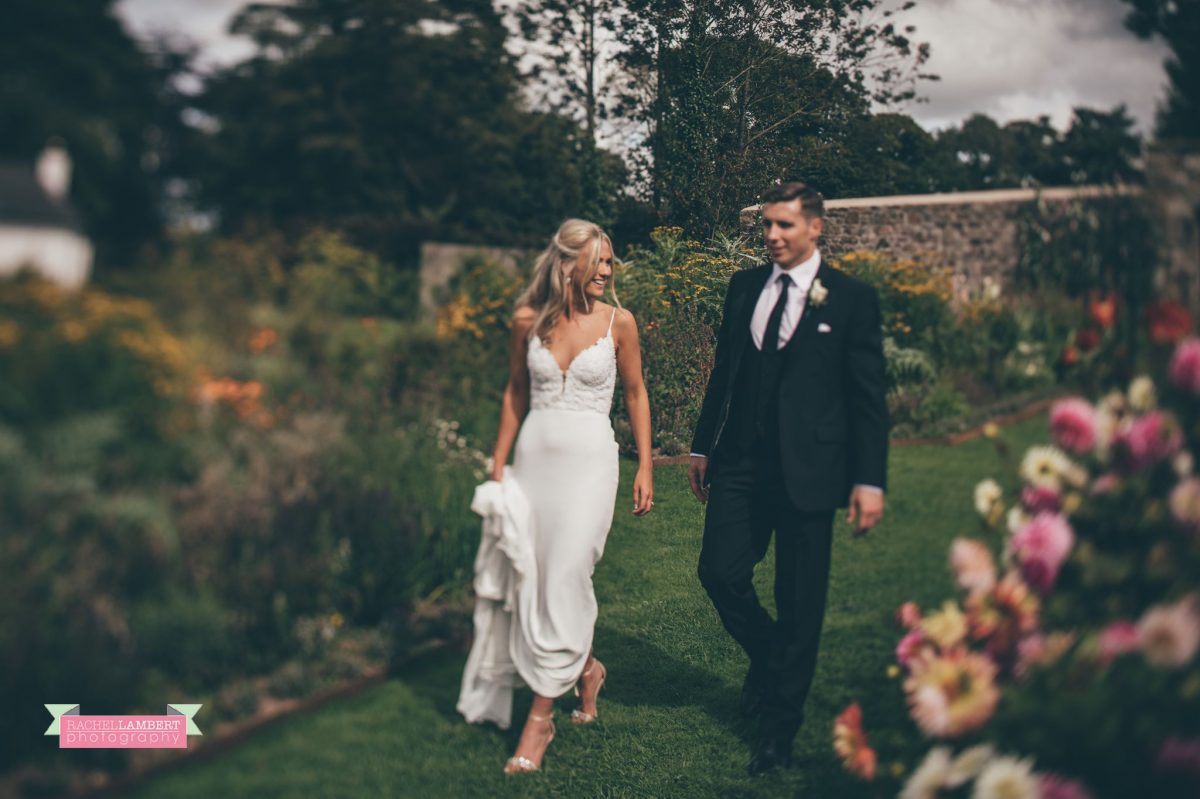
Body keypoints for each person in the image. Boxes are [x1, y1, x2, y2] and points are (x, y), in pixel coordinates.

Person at [687, 181, 889, 776]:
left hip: (811, 474)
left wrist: (869, 481)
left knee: (800, 603)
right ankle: (773, 659)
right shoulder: (744, 286)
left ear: (815, 228)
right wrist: (703, 445)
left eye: (784, 226)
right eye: (767, 226)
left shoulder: (850, 299)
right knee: (719, 572)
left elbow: (867, 400)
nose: (772, 236)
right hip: (742, 464)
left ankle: (778, 731)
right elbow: (725, 371)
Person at [456, 218, 654, 774]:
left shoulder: (620, 323)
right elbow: (516, 393)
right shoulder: (527, 321)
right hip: (534, 461)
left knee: (568, 575)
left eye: (611, 261)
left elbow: (636, 395)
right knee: (534, 579)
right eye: (601, 261)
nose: (609, 271)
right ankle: (586, 670)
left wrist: (644, 466)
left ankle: (538, 721)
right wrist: (498, 467)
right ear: (568, 264)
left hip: (591, 463)